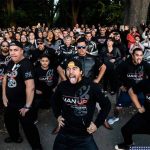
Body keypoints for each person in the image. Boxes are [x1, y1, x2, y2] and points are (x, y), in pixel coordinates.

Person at [52, 58, 111, 150]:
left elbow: (107, 105)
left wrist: (97, 124)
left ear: (81, 72)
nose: (70, 72)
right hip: (64, 133)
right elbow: (54, 101)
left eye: (74, 68)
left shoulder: (92, 86)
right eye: (68, 69)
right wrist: (58, 115)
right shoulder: (62, 86)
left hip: (84, 136)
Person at [2, 41, 42, 150]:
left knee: (29, 127)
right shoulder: (10, 62)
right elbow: (5, 78)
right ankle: (15, 137)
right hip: (10, 102)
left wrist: (27, 106)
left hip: (23, 104)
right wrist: (4, 96)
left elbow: (31, 86)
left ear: (22, 51)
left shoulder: (26, 64)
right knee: (9, 121)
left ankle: (37, 147)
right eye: (11, 50)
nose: (12, 53)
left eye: (16, 50)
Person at [115, 79, 150, 150]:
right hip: (145, 116)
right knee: (125, 130)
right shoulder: (147, 82)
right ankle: (128, 144)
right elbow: (131, 91)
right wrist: (139, 107)